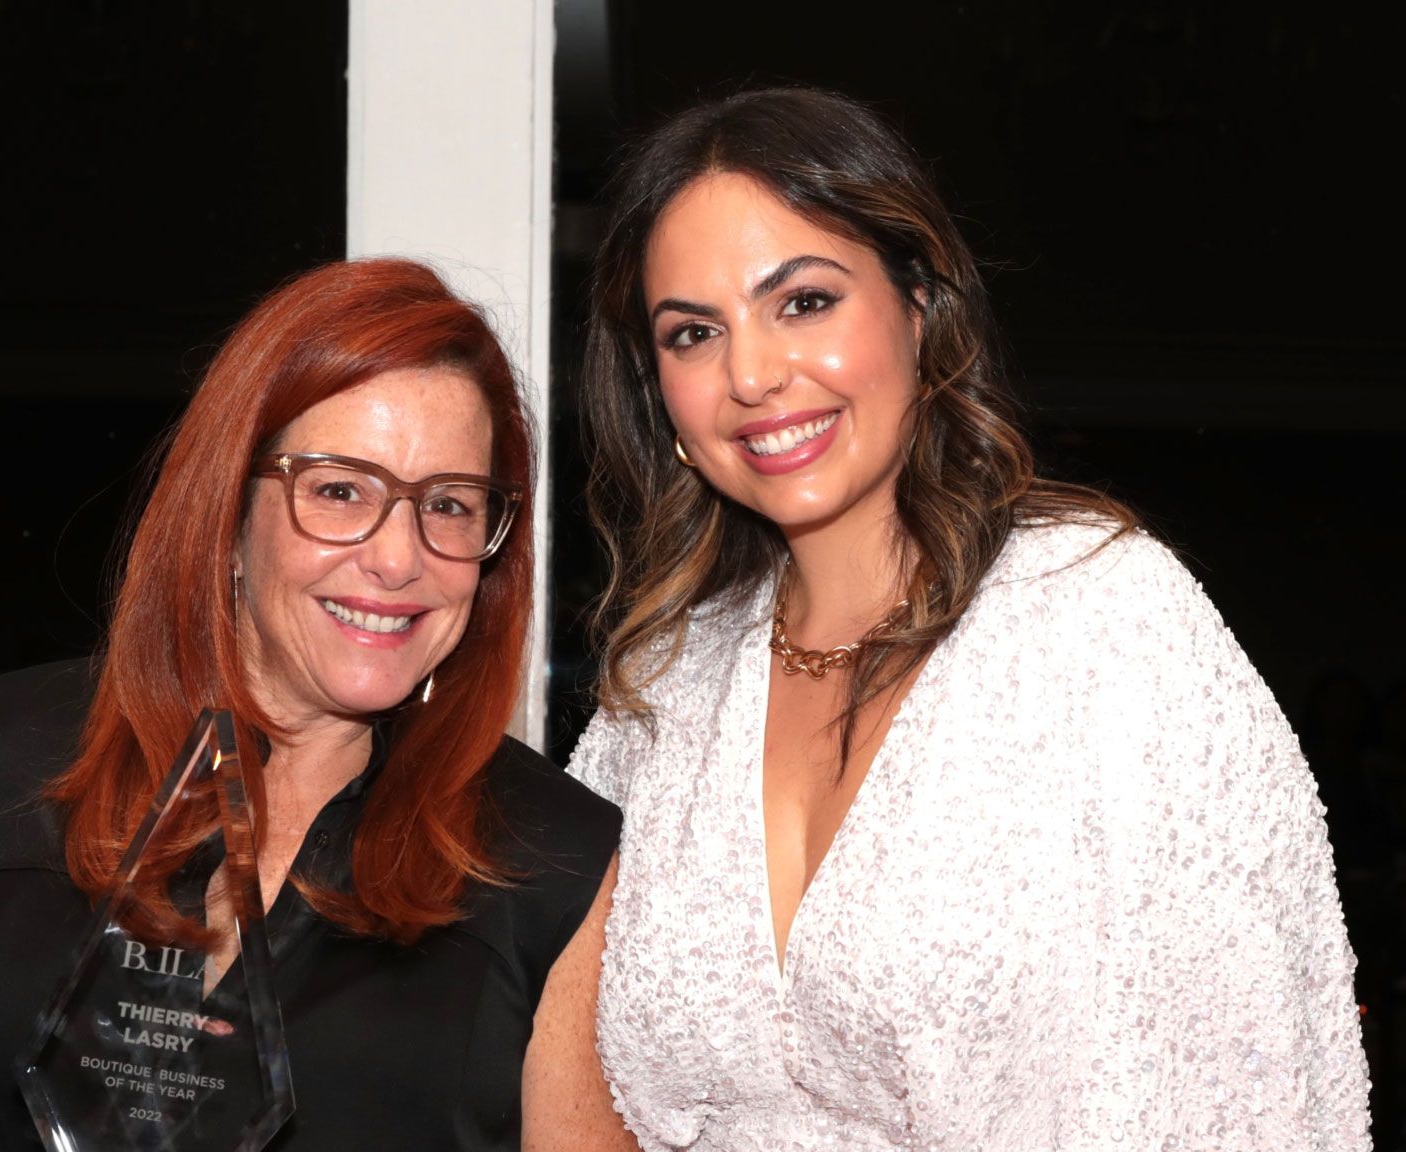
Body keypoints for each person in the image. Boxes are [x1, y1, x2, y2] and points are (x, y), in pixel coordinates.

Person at [569, 87, 1371, 1150]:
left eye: (802, 301)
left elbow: (1250, 1081)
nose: (752, 375)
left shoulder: (1107, 626)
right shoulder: (664, 693)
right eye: (693, 333)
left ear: (918, 304)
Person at [0, 258, 632, 1152]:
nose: (399, 557)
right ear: (230, 512)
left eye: (451, 505)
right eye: (341, 490)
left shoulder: (557, 862)